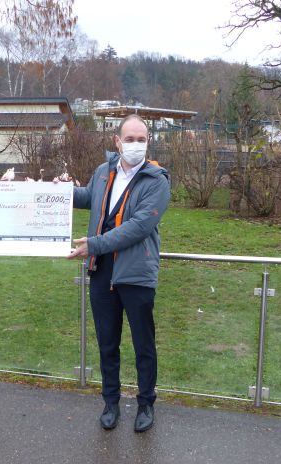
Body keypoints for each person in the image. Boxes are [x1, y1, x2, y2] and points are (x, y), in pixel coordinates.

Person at [68, 114, 170, 432]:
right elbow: (88, 198)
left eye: (141, 139)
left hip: (136, 272)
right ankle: (110, 403)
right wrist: (57, 192)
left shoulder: (157, 182)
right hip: (102, 271)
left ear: (148, 142)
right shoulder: (103, 172)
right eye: (130, 139)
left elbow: (137, 228)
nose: (136, 145)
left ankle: (145, 404)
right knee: (107, 342)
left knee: (143, 344)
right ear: (117, 141)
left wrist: (94, 244)